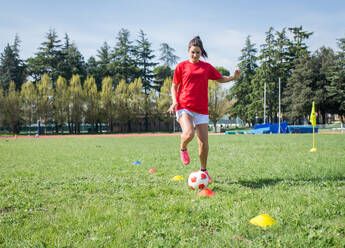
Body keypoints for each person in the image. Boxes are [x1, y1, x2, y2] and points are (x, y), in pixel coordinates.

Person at [167, 36, 240, 183]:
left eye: (198, 53)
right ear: (188, 51)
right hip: (184, 106)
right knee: (188, 133)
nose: (195, 55)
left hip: (201, 109)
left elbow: (219, 78)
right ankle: (183, 147)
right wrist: (174, 102)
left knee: (204, 144)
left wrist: (233, 77)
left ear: (201, 53)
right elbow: (174, 86)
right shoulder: (181, 66)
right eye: (193, 52)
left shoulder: (206, 67)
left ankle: (204, 172)